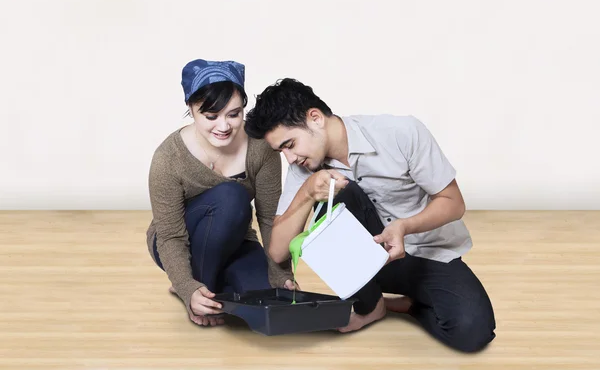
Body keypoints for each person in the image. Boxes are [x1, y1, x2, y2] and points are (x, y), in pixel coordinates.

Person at [244, 78, 496, 352]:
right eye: (282, 151)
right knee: (338, 192)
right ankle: (371, 305)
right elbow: (279, 252)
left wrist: (404, 227)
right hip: (366, 268)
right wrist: (306, 193)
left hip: (428, 256)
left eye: (290, 144)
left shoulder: (400, 133)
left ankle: (405, 305)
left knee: (472, 333)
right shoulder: (303, 169)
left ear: (315, 118)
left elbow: (453, 203)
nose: (290, 158)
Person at [146, 59, 294, 327]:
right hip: (177, 241)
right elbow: (170, 236)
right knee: (231, 196)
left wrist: (280, 273)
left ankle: (208, 288)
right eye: (211, 116)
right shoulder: (168, 158)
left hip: (234, 240)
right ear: (191, 109)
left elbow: (270, 219)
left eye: (234, 114)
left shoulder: (261, 148)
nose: (223, 126)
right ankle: (198, 289)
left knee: (265, 298)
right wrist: (187, 286)